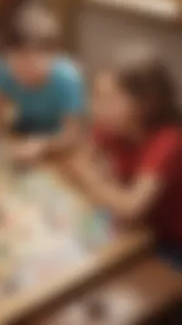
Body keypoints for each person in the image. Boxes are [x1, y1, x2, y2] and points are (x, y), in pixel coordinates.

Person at [66, 46, 182, 269]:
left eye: (110, 98)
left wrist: (97, 181)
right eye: (96, 95)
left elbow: (131, 206)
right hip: (137, 229)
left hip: (171, 240)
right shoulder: (110, 126)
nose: (96, 107)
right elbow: (80, 159)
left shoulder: (169, 140)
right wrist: (105, 187)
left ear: (146, 103)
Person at [0, 5, 85, 162]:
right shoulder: (3, 71)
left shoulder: (68, 80)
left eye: (34, 61)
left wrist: (42, 145)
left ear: (53, 56)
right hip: (20, 134)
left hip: (55, 143)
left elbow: (72, 135)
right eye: (18, 60)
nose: (26, 69)